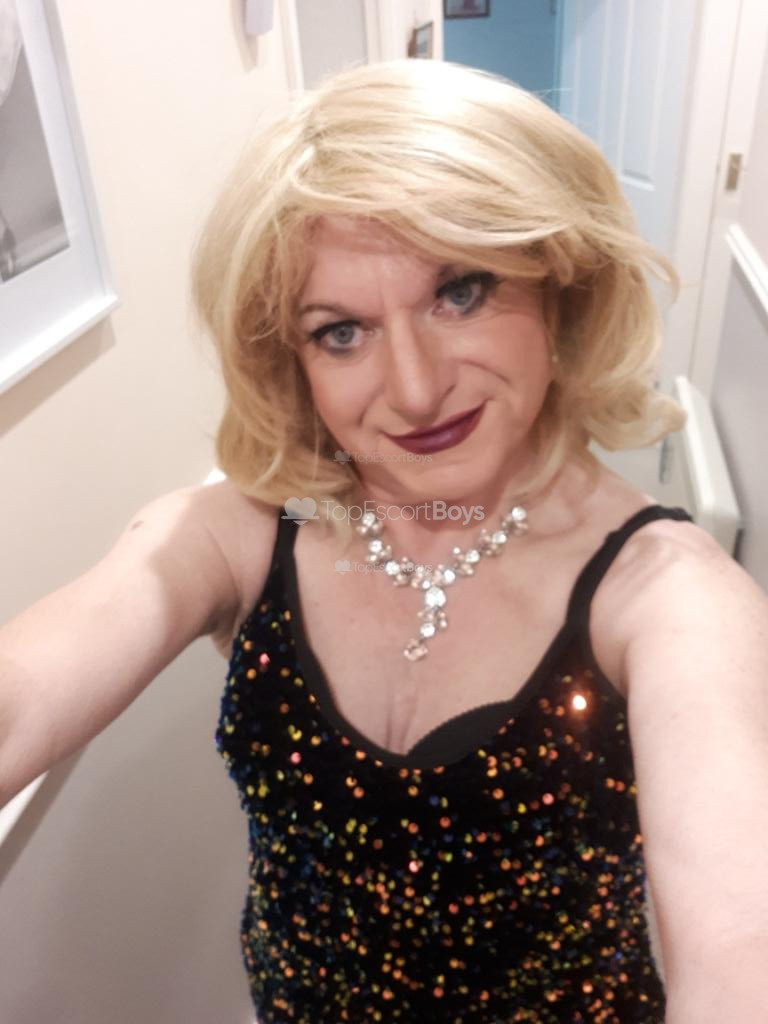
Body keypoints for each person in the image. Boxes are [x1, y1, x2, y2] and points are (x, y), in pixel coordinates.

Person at [2, 58, 767, 1023]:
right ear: (289, 359)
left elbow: (740, 941)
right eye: (341, 332)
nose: (414, 389)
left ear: (561, 283)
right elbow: (23, 696)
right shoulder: (240, 534)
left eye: (463, 292)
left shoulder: (669, 594)